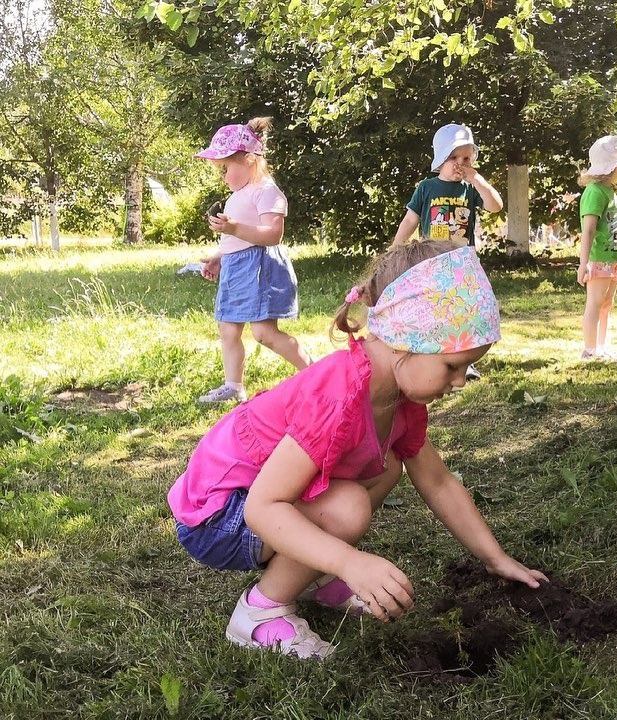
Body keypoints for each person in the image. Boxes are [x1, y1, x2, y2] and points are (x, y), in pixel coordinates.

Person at [168, 241, 548, 661]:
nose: (459, 382)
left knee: (386, 467)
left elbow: (437, 481)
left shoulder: (400, 399)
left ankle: (306, 575)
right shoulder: (339, 395)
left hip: (255, 504)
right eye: (452, 366)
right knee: (348, 507)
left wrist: (495, 558)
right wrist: (349, 562)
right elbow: (263, 506)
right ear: (406, 340)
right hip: (217, 516)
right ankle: (260, 611)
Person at [194, 118, 310, 404]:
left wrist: (233, 228)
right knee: (228, 329)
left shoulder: (266, 190)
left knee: (264, 333)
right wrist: (219, 257)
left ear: (248, 160)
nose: (222, 176)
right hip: (237, 268)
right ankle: (234, 386)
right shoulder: (239, 194)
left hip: (260, 268)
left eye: (225, 168)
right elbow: (238, 239)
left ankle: (314, 372)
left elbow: (273, 234)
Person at [577, 135, 617, 360]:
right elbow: (589, 230)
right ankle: (590, 349)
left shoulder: (610, 191)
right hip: (599, 258)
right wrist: (583, 264)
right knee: (595, 303)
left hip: (613, 258)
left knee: (607, 304)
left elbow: (616, 226)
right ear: (614, 166)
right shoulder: (594, 192)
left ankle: (602, 347)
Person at [392, 123, 503, 248]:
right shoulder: (426, 187)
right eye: (453, 157)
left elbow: (496, 206)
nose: (460, 163)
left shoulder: (471, 188)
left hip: (463, 259)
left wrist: (477, 179)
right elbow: (410, 220)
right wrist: (396, 246)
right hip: (432, 257)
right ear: (440, 160)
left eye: (466, 158)